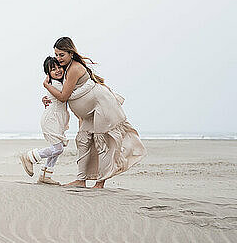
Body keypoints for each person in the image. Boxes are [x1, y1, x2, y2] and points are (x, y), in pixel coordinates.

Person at [44, 37, 146, 188]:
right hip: (90, 113)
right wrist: (47, 97)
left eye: (61, 55)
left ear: (70, 53)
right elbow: (59, 89)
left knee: (102, 143)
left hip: (102, 106)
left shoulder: (74, 68)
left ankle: (100, 182)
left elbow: (64, 96)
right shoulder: (66, 67)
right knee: (83, 140)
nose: (58, 59)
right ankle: (81, 180)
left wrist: (46, 85)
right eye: (56, 55)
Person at [19, 57, 70, 185]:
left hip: (57, 119)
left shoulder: (59, 82)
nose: (58, 70)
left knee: (56, 148)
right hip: (52, 118)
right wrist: (46, 85)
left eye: (59, 67)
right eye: (53, 69)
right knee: (58, 149)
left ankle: (45, 176)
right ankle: (30, 156)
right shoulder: (55, 84)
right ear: (48, 74)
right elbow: (63, 97)